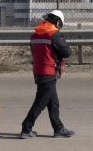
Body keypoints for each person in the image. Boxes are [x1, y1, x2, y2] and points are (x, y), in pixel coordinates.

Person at [20, 9, 76, 139]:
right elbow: (66, 53)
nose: (60, 27)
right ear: (57, 22)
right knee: (40, 103)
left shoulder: (35, 34)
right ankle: (26, 128)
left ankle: (58, 128)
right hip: (49, 72)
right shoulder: (54, 35)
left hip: (39, 71)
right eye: (60, 24)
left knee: (53, 102)